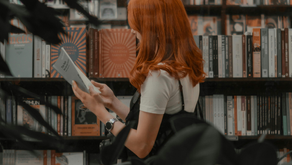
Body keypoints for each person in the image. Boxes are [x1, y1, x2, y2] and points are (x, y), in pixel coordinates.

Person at [72, 0, 205, 160]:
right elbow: (155, 124)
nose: (133, 30)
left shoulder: (159, 75)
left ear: (153, 27)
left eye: (137, 23)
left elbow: (142, 146)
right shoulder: (183, 68)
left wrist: (100, 112)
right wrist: (113, 103)